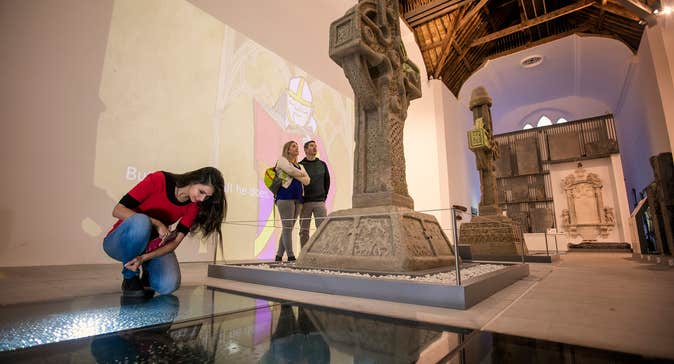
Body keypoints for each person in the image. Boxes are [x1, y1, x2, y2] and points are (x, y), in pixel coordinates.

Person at [103, 167, 226, 297]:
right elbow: (117, 210)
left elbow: (175, 242)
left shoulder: (194, 206)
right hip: (120, 244)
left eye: (207, 197)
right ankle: (129, 277)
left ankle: (147, 272)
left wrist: (144, 258)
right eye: (201, 192)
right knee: (141, 221)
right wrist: (157, 223)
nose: (202, 199)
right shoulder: (158, 180)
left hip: (150, 248)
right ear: (194, 179)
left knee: (169, 284)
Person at [275, 141, 310, 262]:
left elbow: (307, 181)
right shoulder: (282, 161)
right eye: (293, 146)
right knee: (287, 227)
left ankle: (279, 255)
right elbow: (290, 171)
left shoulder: (300, 165)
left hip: (298, 199)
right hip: (285, 197)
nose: (296, 148)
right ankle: (290, 256)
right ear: (288, 150)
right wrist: (300, 174)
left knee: (288, 228)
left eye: (297, 146)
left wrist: (296, 173)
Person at [298, 140, 330, 248]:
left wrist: (323, 197)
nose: (314, 148)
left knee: (322, 230)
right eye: (311, 146)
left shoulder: (322, 164)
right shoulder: (300, 165)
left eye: (315, 146)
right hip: (305, 203)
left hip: (319, 202)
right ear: (305, 149)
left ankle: (321, 253)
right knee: (303, 231)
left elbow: (327, 182)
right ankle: (304, 255)